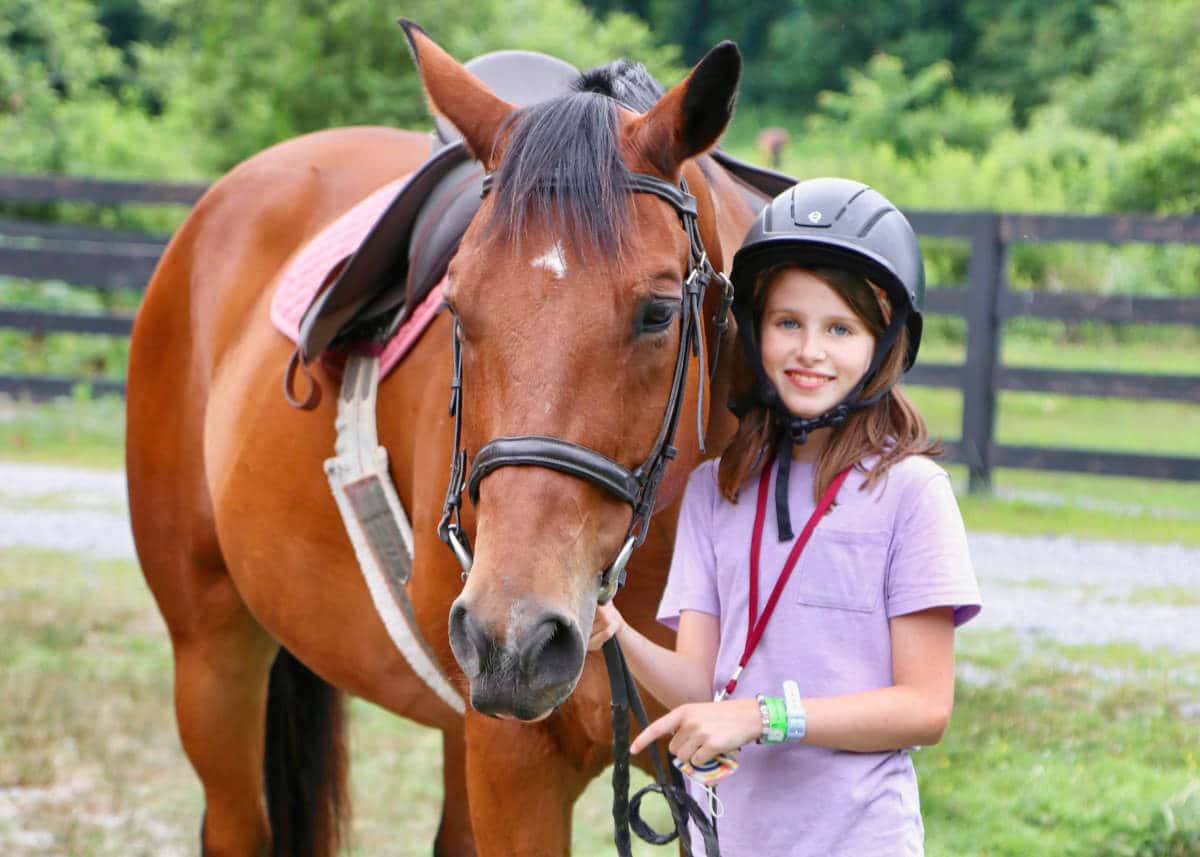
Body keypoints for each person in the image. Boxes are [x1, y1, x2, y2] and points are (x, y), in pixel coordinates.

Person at [589, 177, 982, 856]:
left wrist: (766, 716)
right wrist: (614, 629)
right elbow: (703, 680)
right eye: (788, 323)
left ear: (884, 344)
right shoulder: (717, 490)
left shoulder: (913, 493)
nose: (809, 351)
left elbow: (924, 707)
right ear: (755, 330)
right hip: (730, 837)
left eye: (840, 328)